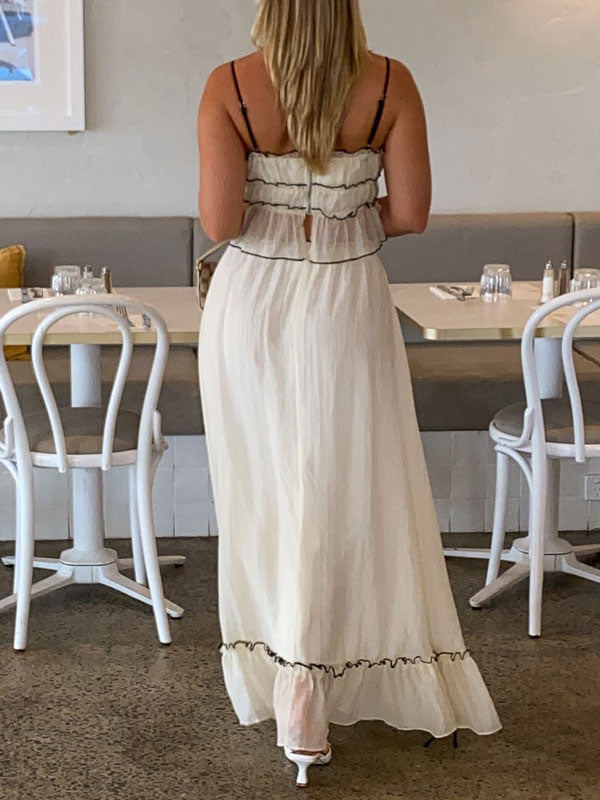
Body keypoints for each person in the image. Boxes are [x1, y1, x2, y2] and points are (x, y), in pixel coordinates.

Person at [197, 0, 501, 787]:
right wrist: (343, 214)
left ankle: (293, 689)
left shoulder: (230, 85)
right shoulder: (390, 83)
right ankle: (326, 679)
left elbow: (221, 221)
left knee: (270, 495)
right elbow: (412, 213)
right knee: (345, 491)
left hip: (252, 305)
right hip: (344, 299)